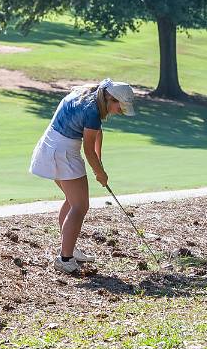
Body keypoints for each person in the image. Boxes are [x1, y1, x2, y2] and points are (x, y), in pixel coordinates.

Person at [29, 78, 135, 273]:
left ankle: (69, 248)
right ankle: (65, 258)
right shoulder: (92, 111)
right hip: (63, 153)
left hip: (50, 146)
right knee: (80, 205)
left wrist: (99, 163)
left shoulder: (88, 95)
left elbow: (96, 135)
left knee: (72, 201)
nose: (120, 112)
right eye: (120, 107)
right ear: (111, 99)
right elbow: (88, 149)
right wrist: (100, 173)